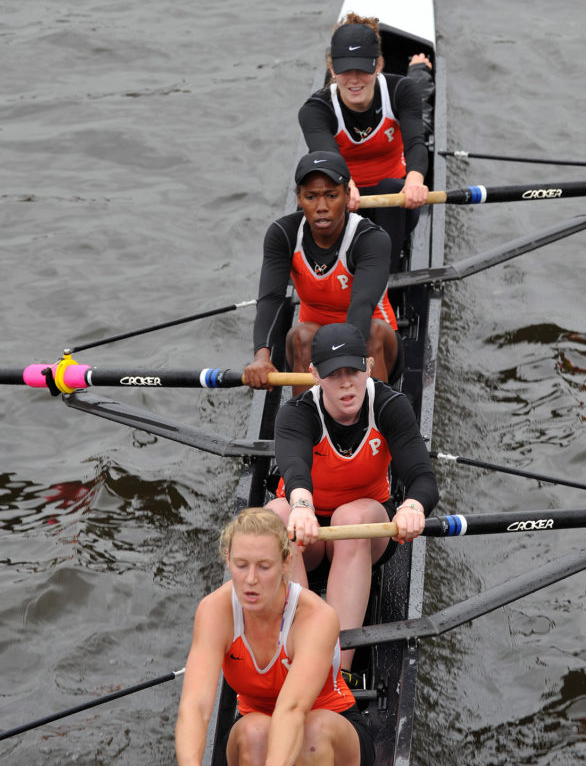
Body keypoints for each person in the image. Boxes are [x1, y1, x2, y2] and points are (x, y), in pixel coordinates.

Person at [266, 322, 439, 673]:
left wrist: (412, 506)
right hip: (307, 532)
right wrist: (301, 505)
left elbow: (422, 478)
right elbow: (295, 466)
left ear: (369, 367)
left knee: (351, 517)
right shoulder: (295, 414)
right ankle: (301, 656)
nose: (346, 383)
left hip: (362, 530)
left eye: (354, 370)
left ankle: (335, 671)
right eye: (334, 374)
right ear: (314, 375)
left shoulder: (391, 405)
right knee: (274, 515)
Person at [175, 507, 374, 766]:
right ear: (228, 559)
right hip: (256, 727)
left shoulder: (315, 616)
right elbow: (195, 706)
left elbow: (292, 710)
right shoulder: (214, 611)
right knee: (254, 733)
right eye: (241, 565)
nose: (250, 579)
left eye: (264, 567)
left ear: (286, 563)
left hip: (328, 722)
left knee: (312, 734)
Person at [243, 150, 400, 393]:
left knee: (373, 332)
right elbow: (271, 299)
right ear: (299, 198)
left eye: (331, 195)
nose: (321, 207)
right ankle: (307, 422)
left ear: (347, 195)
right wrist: (262, 356)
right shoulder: (282, 234)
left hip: (370, 345)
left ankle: (376, 421)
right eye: (311, 197)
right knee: (302, 335)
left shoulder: (371, 239)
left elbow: (361, 304)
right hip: (314, 346)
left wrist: (341, 365)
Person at [297, 14, 433, 271]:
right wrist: (346, 185)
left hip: (396, 203)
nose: (355, 79)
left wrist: (415, 180)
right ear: (332, 69)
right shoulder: (315, 110)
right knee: (322, 197)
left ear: (379, 64)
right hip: (345, 198)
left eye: (363, 68)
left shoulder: (401, 91)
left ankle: (385, 279)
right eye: (346, 70)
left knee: (390, 187)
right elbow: (327, 155)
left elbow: (416, 143)